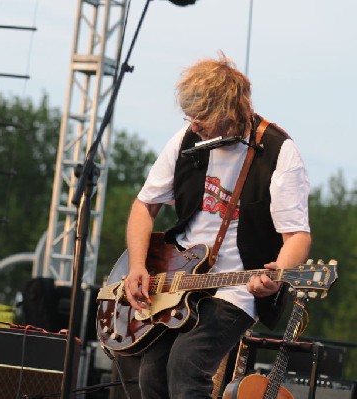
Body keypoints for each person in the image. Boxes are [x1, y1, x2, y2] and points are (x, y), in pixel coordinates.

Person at [122, 52, 311, 398]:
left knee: (186, 366)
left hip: (236, 287)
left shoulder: (279, 152)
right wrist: (137, 266)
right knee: (151, 373)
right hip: (179, 278)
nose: (194, 126)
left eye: (203, 118)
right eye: (189, 117)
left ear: (230, 111)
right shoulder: (184, 141)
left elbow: (297, 235)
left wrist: (277, 274)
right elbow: (143, 206)